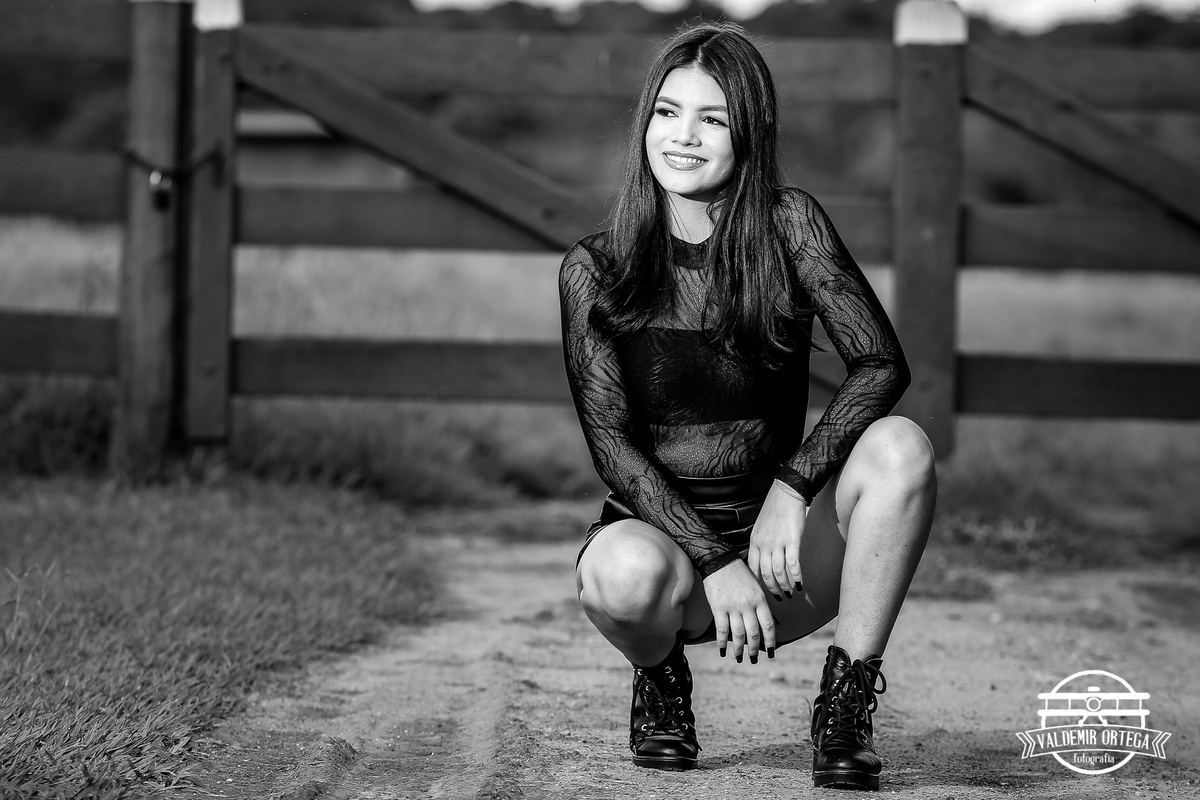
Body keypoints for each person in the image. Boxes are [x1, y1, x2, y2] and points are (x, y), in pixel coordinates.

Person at [558, 21, 937, 792]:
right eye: (667, 112)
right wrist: (715, 560)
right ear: (645, 123)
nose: (683, 136)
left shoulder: (789, 224)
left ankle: (845, 709)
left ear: (749, 132)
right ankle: (661, 679)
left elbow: (880, 363)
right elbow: (614, 450)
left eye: (713, 118)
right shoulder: (595, 268)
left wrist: (792, 489)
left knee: (902, 448)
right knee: (622, 577)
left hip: (784, 560)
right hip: (675, 563)